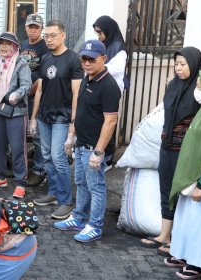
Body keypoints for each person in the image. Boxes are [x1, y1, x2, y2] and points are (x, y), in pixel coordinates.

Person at [139, 47, 201, 255]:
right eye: (176, 63)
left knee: (181, 194)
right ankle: (163, 235)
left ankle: (177, 239)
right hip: (167, 146)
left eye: (183, 64)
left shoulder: (200, 90)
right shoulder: (172, 86)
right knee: (165, 190)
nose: (178, 68)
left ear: (193, 65)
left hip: (186, 152)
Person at [52, 40, 120, 242]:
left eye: (92, 59)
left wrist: (99, 152)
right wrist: (71, 135)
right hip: (81, 143)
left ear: (103, 59)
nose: (87, 63)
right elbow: (80, 109)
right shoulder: (86, 79)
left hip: (94, 147)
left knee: (96, 187)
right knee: (80, 182)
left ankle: (95, 225)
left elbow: (110, 121)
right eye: (84, 59)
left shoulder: (109, 85)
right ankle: (80, 218)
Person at [29, 20, 83, 219]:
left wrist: (73, 123)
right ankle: (53, 193)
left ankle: (66, 201)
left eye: (53, 35)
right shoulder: (45, 58)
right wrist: (33, 117)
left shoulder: (73, 60)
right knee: (46, 156)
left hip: (62, 117)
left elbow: (77, 94)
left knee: (59, 158)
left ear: (63, 35)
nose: (49, 39)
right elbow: (40, 89)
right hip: (44, 116)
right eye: (47, 36)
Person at [165, 69, 201, 279]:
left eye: (200, 85)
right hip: (189, 179)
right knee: (186, 220)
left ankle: (199, 263)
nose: (197, 89)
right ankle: (183, 254)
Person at [0, 32, 31, 199]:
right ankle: (0, 177)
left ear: (15, 46)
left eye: (7, 43)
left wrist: (16, 94)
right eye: (1, 43)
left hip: (16, 110)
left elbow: (27, 85)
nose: (3, 46)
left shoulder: (21, 63)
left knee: (18, 147)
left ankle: (20, 183)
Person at [93, 15, 128, 171]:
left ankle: (107, 159)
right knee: (98, 122)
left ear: (108, 30)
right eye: (97, 33)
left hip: (112, 90)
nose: (98, 36)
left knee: (108, 123)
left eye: (100, 32)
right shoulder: (103, 44)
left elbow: (117, 68)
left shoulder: (118, 46)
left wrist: (98, 67)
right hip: (100, 88)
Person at [20, 13, 49, 187]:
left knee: (36, 135)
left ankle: (39, 170)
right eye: (30, 27)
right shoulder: (22, 45)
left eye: (36, 27)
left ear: (41, 29)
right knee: (20, 133)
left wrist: (30, 90)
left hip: (35, 97)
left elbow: (44, 77)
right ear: (26, 28)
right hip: (21, 96)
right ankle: (23, 167)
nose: (33, 30)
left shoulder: (45, 47)